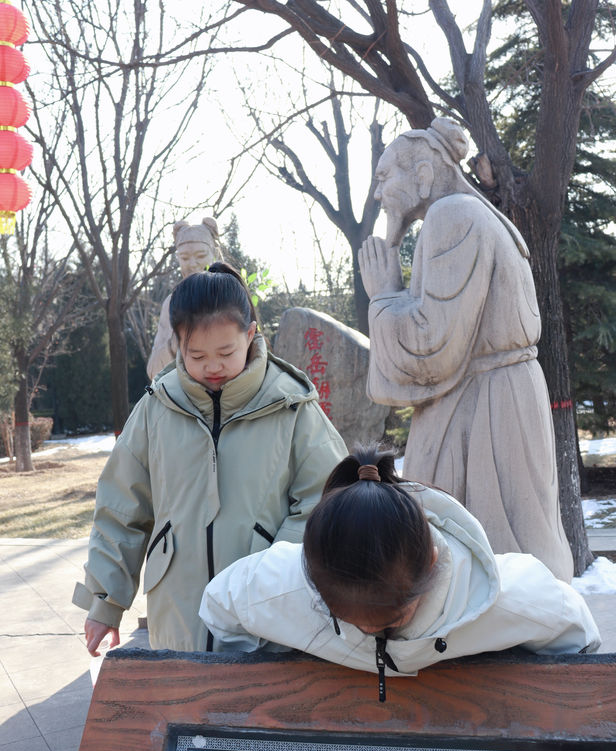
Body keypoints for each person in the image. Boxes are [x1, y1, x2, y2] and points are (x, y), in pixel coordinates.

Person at [73, 262, 347, 655]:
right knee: (184, 710)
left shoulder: (291, 406)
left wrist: (271, 568)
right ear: (178, 346)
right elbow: (121, 509)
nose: (212, 366)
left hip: (269, 620)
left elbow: (329, 498)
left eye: (225, 351)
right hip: (177, 616)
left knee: (258, 712)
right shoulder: (157, 407)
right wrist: (105, 603)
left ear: (250, 335)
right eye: (196, 355)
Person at [200, 446, 600, 702]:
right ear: (313, 580)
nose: (373, 632)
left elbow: (577, 636)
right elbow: (220, 605)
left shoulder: (512, 598)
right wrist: (272, 677)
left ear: (430, 565)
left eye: (390, 619)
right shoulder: (278, 585)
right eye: (349, 621)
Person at [357, 117, 573, 582]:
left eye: (383, 178)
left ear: (422, 175)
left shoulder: (452, 215)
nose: (378, 195)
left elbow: (433, 347)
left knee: (493, 558)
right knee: (512, 550)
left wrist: (384, 297)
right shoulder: (466, 214)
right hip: (496, 393)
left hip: (485, 409)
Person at [147, 217, 223, 379]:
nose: (193, 264)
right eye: (185, 258)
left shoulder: (231, 295)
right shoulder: (172, 303)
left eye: (201, 255)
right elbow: (154, 372)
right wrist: (175, 343)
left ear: (214, 253)